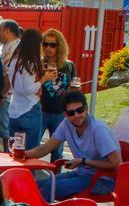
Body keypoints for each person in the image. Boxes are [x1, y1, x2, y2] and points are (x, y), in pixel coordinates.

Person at [27, 91, 121, 200]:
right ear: (65, 115)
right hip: (82, 174)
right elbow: (45, 148)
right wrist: (24, 154)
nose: (76, 115)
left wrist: (83, 161)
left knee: (49, 187)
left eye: (80, 110)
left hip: (104, 180)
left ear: (86, 109)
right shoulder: (66, 124)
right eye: (71, 113)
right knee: (35, 185)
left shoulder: (99, 130)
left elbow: (116, 164)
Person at [38, 29, 78, 162]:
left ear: (59, 46)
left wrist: (75, 90)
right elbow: (30, 86)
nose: (48, 48)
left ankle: (55, 181)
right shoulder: (38, 64)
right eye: (45, 44)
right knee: (33, 146)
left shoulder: (68, 66)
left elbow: (73, 85)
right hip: (41, 111)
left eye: (52, 45)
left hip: (60, 113)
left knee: (57, 152)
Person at [5, 28, 46, 150]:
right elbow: (28, 89)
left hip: (14, 110)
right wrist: (44, 79)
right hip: (29, 109)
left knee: (15, 152)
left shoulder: (14, 60)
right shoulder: (30, 63)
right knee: (30, 153)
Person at [0, 20, 21, 144]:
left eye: (0, 30)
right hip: (1, 96)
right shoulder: (4, 46)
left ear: (8, 31)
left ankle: (12, 156)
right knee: (4, 133)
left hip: (8, 98)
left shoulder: (16, 48)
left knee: (9, 133)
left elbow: (9, 75)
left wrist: (2, 95)